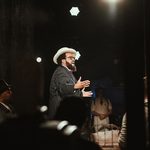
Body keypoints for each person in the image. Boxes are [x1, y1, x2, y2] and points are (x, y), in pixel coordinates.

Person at [48, 47, 93, 119]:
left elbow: (68, 94)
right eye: (70, 58)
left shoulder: (68, 73)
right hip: (59, 115)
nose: (73, 60)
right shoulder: (61, 72)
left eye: (73, 58)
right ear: (63, 60)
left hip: (65, 114)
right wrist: (75, 86)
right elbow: (63, 89)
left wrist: (80, 93)